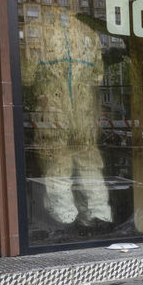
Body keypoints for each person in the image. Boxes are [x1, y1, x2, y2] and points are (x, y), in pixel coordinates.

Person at [29, 14, 113, 227]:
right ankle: (96, 214)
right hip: (75, 109)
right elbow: (97, 76)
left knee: (61, 164)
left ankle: (68, 217)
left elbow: (28, 74)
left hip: (60, 108)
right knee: (83, 163)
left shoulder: (41, 30)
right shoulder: (88, 34)